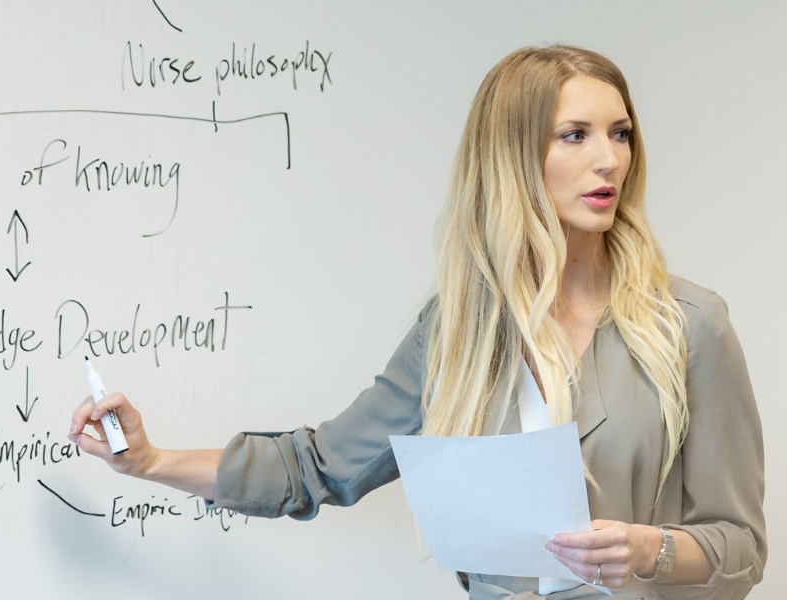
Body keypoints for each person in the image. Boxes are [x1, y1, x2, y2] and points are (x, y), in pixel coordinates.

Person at [68, 45, 765, 600]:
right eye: (574, 135)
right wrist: (151, 461)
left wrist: (650, 551)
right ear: (515, 159)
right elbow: (317, 469)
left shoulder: (690, 325)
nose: (608, 158)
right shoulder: (456, 332)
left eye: (620, 134)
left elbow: (741, 546)